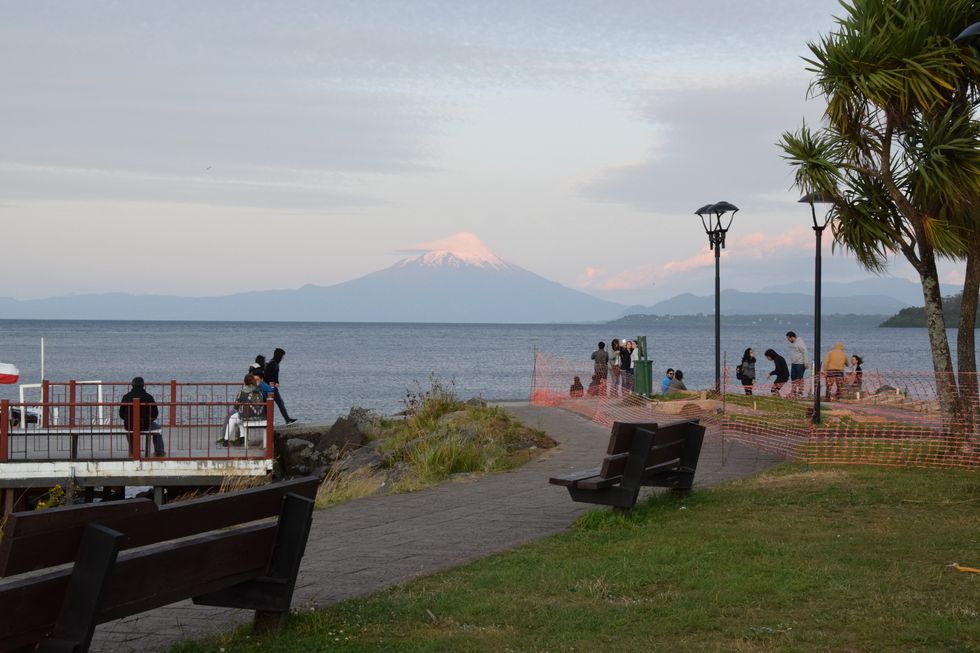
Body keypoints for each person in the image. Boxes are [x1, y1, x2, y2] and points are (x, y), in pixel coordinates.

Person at [119, 376, 163, 457]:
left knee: (129, 429)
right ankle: (159, 451)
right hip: (145, 425)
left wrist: (128, 420)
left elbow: (121, 414)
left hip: (130, 425)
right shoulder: (149, 397)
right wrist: (148, 421)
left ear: (132, 385)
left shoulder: (126, 397)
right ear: (143, 385)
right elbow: (155, 413)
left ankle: (133, 452)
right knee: (158, 428)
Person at [220, 374, 266, 446]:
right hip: (261, 417)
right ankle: (242, 437)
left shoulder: (243, 392)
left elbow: (236, 406)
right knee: (240, 417)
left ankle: (225, 440)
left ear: (245, 382)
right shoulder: (259, 391)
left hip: (249, 417)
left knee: (233, 418)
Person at [264, 347, 297, 424]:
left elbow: (274, 376)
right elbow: (268, 376)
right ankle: (287, 419)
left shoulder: (274, 363)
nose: (283, 358)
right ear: (279, 356)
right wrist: (273, 383)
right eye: (282, 356)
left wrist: (277, 382)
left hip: (272, 386)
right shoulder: (273, 363)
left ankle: (287, 419)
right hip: (271, 388)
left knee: (277, 403)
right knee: (279, 403)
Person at [786, 331, 809, 397]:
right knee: (793, 377)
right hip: (794, 363)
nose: (788, 340)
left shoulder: (800, 342)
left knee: (799, 378)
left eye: (788, 338)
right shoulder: (791, 343)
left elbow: (805, 352)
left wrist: (806, 362)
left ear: (792, 337)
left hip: (800, 363)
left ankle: (800, 391)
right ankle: (793, 391)